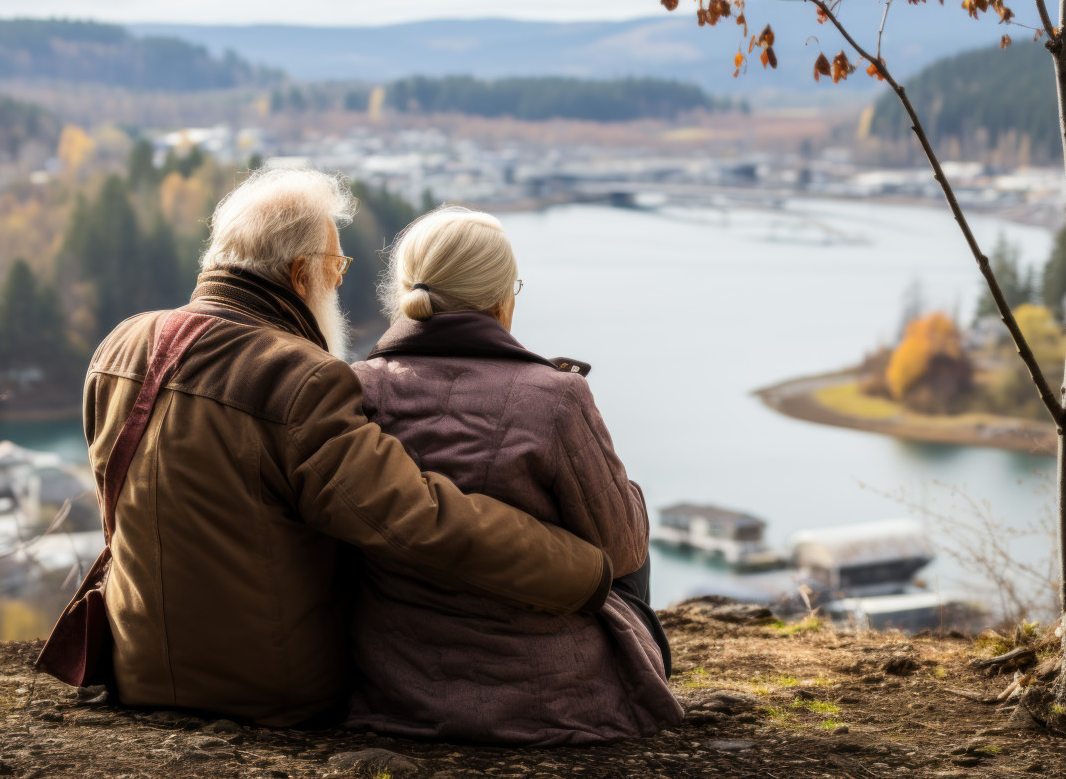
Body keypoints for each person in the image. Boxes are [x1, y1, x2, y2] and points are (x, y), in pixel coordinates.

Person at [82, 170, 614, 726]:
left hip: (134, 669)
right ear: (299, 274)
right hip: (270, 691)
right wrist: (585, 572)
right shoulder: (298, 376)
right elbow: (420, 520)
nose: (336, 284)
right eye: (335, 269)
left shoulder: (120, 347)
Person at [345, 207, 684, 745]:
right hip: (554, 695)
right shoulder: (555, 398)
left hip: (393, 686)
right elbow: (621, 550)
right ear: (503, 299)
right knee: (622, 515)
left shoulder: (356, 388)